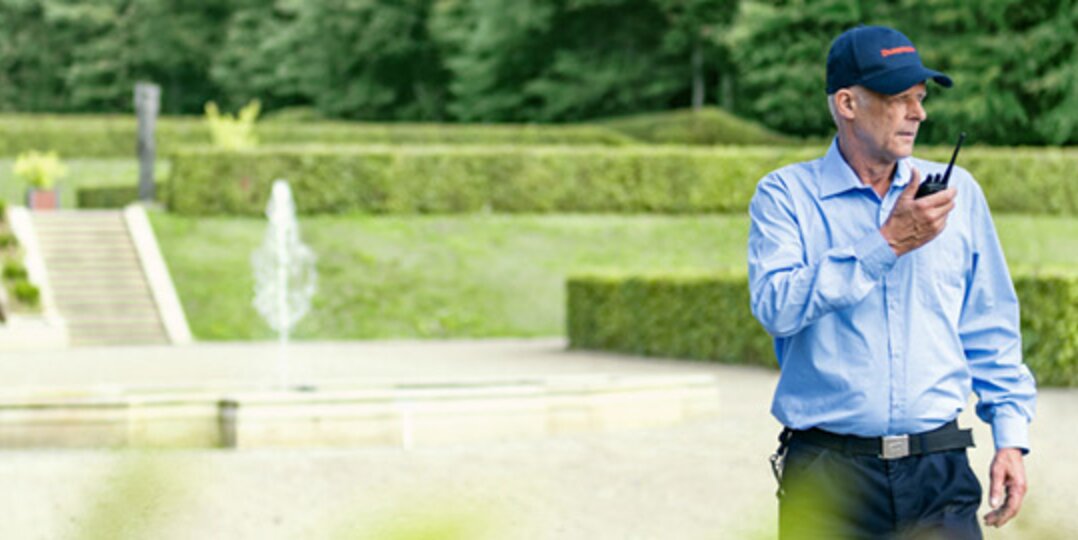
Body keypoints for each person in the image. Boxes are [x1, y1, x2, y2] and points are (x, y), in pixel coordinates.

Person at [747, 25, 1037, 539]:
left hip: (940, 471)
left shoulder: (959, 194)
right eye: (899, 98)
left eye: (920, 98)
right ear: (847, 103)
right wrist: (886, 243)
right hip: (828, 478)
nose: (918, 113)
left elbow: (989, 325)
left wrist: (1010, 439)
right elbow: (776, 307)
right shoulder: (784, 196)